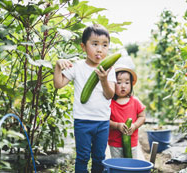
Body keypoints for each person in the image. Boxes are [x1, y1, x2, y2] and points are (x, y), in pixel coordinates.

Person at [53, 24, 116, 173]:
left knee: (99, 157)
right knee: (82, 157)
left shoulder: (109, 69)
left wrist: (104, 80)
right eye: (95, 44)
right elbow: (58, 84)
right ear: (83, 47)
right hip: (82, 121)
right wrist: (57, 66)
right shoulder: (77, 66)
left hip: (102, 122)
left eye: (104, 45)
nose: (100, 49)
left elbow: (110, 95)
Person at [108, 55, 146, 159]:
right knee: (118, 165)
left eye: (127, 82)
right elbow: (105, 120)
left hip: (132, 142)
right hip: (115, 143)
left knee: (131, 164)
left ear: (131, 85)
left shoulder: (135, 101)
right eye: (119, 82)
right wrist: (117, 126)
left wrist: (134, 126)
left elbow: (142, 116)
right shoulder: (110, 103)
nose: (123, 86)